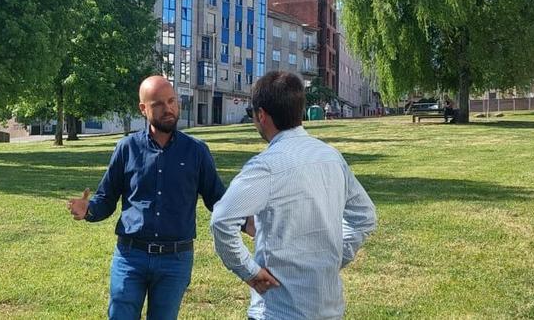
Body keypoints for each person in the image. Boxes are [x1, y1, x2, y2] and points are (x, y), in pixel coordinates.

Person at [67, 75, 240, 320]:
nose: (168, 108)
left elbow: (217, 199)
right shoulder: (127, 148)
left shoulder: (196, 151)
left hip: (175, 260)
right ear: (143, 108)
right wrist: (89, 209)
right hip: (131, 257)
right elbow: (106, 198)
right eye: (158, 104)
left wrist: (246, 221)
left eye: (172, 101)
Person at [210, 71, 377, 320]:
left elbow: (222, 220)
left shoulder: (265, 167)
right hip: (327, 307)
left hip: (279, 308)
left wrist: (250, 272)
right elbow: (364, 216)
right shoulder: (331, 157)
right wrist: (334, 257)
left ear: (261, 115)